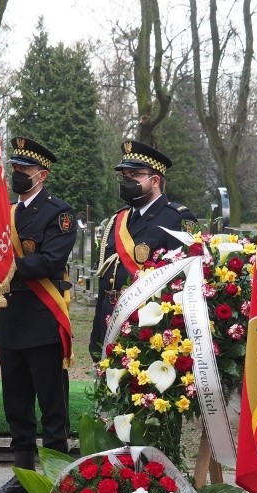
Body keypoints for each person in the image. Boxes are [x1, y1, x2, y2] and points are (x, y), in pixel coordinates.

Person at [0, 138, 77, 493]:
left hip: (43, 319)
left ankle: (56, 479)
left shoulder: (59, 213)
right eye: (15, 170)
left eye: (24, 171)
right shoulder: (6, 212)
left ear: (42, 175)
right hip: (11, 321)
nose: (17, 176)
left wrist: (5, 266)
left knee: (52, 407)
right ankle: (22, 477)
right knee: (16, 406)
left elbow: (50, 262)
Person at [89, 140, 198, 359]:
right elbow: (105, 281)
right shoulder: (117, 220)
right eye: (124, 176)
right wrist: (96, 336)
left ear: (155, 180)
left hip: (148, 325)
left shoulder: (177, 218)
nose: (127, 181)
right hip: (111, 318)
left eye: (135, 175)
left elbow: (185, 282)